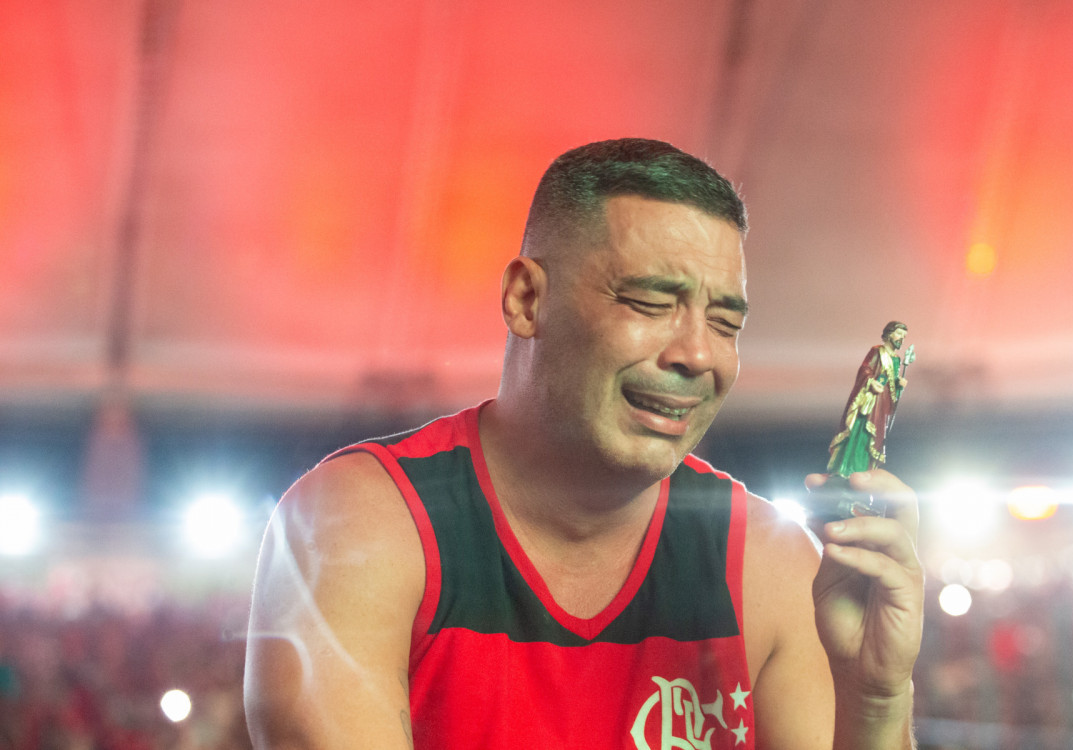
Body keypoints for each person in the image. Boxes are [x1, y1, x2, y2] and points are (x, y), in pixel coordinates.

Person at [244, 138, 924, 749]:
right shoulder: (360, 525)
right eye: (650, 303)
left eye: (725, 323)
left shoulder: (769, 565)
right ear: (526, 300)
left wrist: (875, 699)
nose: (696, 354)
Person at [827, 322, 909, 477]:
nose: (901, 339)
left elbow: (892, 387)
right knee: (862, 431)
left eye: (904, 336)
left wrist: (900, 385)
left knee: (874, 438)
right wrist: (872, 382)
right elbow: (865, 370)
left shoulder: (897, 359)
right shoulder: (877, 351)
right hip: (870, 401)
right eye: (899, 334)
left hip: (882, 404)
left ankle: (864, 469)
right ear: (889, 334)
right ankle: (848, 469)